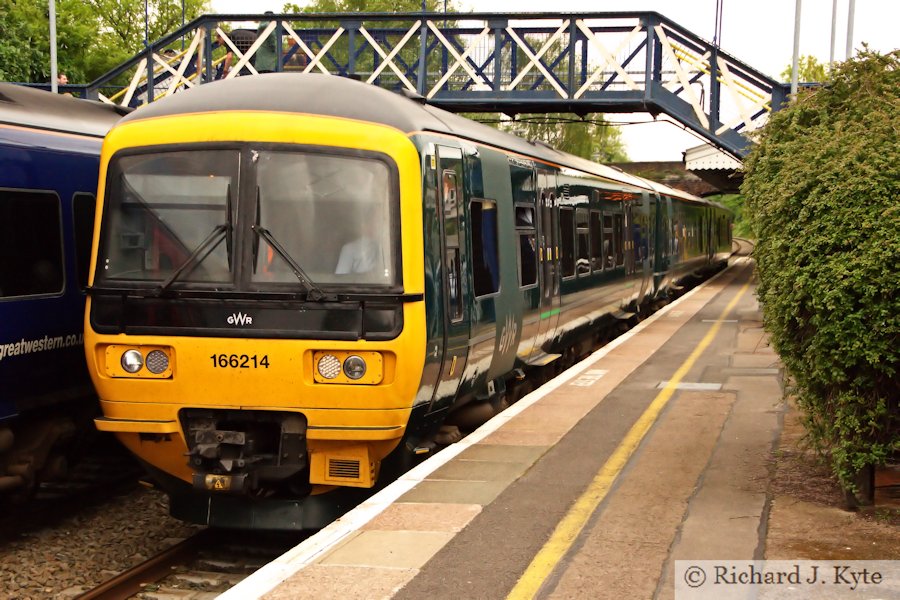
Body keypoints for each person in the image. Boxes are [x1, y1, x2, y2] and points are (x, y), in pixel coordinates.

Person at [335, 208, 384, 276]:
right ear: (365, 224)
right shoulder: (349, 249)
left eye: (381, 221)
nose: (379, 225)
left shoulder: (385, 247)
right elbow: (340, 279)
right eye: (376, 221)